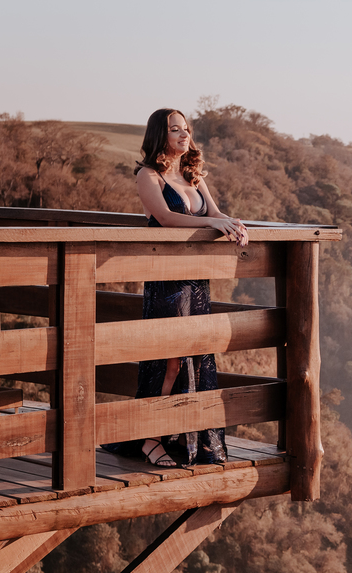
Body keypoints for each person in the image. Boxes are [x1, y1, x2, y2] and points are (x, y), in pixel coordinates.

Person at [109, 108, 248, 467]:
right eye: (175, 130)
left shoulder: (193, 176)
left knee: (195, 359)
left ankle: (182, 435)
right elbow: (166, 218)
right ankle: (149, 439)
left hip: (196, 278)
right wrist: (216, 223)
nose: (184, 135)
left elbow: (214, 214)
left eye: (186, 129)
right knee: (169, 361)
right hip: (166, 277)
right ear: (160, 135)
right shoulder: (148, 176)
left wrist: (234, 225)